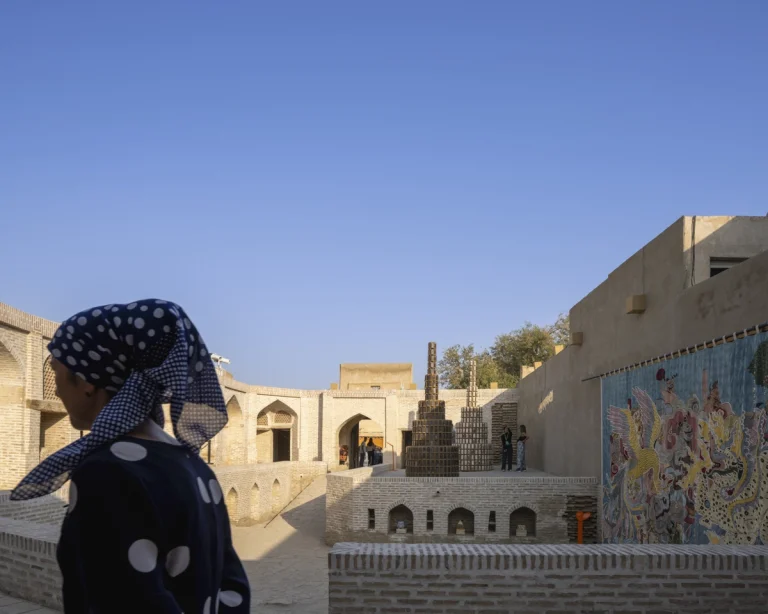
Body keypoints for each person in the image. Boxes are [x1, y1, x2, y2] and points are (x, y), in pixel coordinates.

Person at [11, 299, 250, 613]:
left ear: (86, 383)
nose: (55, 390)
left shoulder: (108, 473)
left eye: (56, 373)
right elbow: (232, 588)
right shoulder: (194, 465)